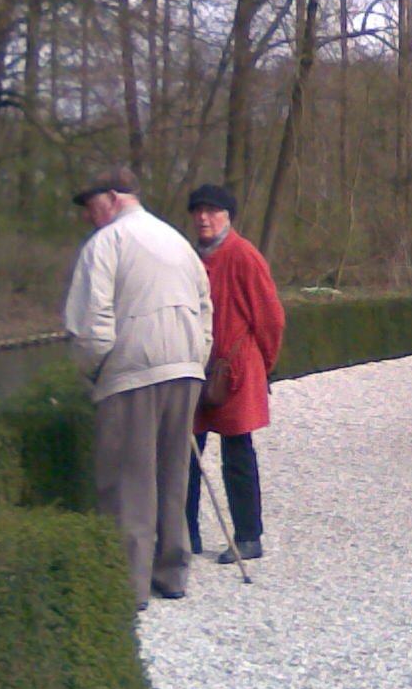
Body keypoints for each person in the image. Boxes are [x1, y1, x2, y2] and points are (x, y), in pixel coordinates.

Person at [64, 167, 212, 610]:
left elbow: (92, 325)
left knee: (129, 481)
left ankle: (129, 584)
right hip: (185, 367)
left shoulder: (106, 243)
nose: (88, 215)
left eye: (91, 205)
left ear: (112, 198)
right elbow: (206, 308)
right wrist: (196, 356)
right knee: (172, 474)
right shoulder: (177, 241)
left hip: (131, 371)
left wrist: (93, 373)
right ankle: (172, 572)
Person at [184, 184, 285, 564]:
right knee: (186, 453)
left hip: (235, 368)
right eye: (198, 211)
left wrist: (263, 366)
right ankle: (184, 534)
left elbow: (271, 318)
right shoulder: (188, 256)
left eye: (212, 211)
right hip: (196, 366)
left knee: (237, 452)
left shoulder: (243, 255)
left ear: (227, 216)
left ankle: (248, 536)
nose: (204, 218)